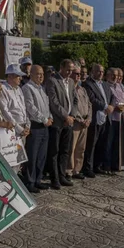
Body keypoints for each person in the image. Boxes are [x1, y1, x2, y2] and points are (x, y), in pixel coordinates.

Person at [45, 59, 77, 189]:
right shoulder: (52, 81)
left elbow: (75, 100)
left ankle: (62, 175)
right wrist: (66, 116)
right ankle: (54, 178)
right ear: (61, 68)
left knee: (65, 150)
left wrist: (72, 116)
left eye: (71, 70)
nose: (70, 72)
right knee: (54, 151)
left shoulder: (71, 82)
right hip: (58, 122)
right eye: (68, 69)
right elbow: (53, 102)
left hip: (68, 122)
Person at [22, 65, 52, 193]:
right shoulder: (27, 88)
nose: (41, 76)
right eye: (38, 74)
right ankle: (30, 182)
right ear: (31, 74)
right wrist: (44, 119)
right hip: (35, 126)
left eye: (42, 74)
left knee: (41, 156)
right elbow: (30, 107)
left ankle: (38, 180)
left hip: (45, 126)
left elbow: (47, 105)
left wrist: (49, 116)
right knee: (32, 156)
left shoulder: (42, 88)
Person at [82, 64, 114, 177]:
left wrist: (111, 106)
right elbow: (92, 100)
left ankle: (97, 166)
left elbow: (112, 97)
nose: (100, 73)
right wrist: (106, 106)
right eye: (98, 71)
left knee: (102, 143)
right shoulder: (87, 84)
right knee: (91, 145)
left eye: (102, 71)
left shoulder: (105, 84)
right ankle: (87, 168)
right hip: (95, 118)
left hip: (106, 118)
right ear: (92, 72)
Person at [67, 66, 91, 180]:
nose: (78, 76)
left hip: (85, 123)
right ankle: (69, 171)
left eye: (80, 74)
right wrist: (80, 120)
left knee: (81, 148)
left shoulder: (82, 89)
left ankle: (77, 169)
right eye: (76, 73)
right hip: (76, 123)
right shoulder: (69, 89)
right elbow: (72, 107)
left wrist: (89, 119)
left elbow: (89, 105)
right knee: (72, 147)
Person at [0, 64, 30, 143]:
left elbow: (24, 108)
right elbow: (5, 111)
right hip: (12, 129)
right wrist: (18, 128)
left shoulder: (19, 89)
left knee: (21, 154)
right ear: (10, 76)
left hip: (23, 127)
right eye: (18, 76)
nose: (21, 78)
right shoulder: (3, 89)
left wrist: (28, 125)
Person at [103, 68, 124, 174]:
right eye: (112, 75)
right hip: (110, 118)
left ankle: (115, 165)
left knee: (117, 143)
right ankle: (107, 166)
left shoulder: (120, 86)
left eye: (117, 75)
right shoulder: (105, 86)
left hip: (120, 119)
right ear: (107, 75)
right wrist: (116, 107)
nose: (115, 77)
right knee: (108, 143)